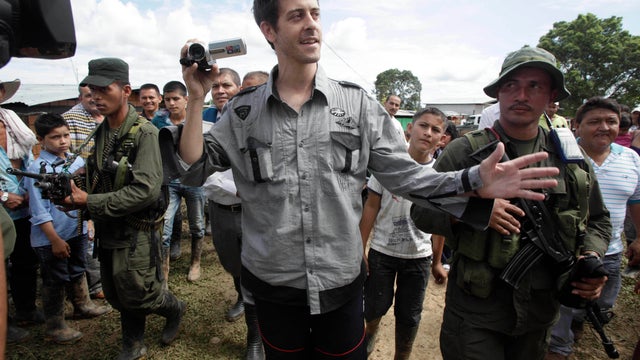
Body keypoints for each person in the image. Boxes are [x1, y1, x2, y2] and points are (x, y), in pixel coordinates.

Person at [178, 1, 559, 357]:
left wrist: (472, 179)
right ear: (269, 30)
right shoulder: (244, 112)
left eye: (315, 13)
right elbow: (195, 166)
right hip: (273, 282)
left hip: (340, 281)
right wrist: (196, 99)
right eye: (296, 16)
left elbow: (406, 178)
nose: (312, 25)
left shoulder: (357, 105)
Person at [411, 46, 611, 360]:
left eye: (534, 86)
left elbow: (598, 219)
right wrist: (476, 209)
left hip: (538, 314)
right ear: (499, 95)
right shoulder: (466, 151)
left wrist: (591, 258)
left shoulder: (571, 159)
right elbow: (420, 211)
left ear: (550, 97)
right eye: (511, 86)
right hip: (476, 313)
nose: (521, 95)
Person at [59, 58, 186, 359]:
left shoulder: (145, 134)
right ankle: (133, 342)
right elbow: (99, 171)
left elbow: (145, 190)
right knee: (116, 291)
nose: (95, 97)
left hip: (137, 230)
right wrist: (77, 188)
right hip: (109, 226)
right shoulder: (103, 131)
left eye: (104, 90)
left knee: (140, 291)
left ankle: (174, 308)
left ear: (126, 90)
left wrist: (88, 201)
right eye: (91, 91)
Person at [546, 97, 640, 359]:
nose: (604, 127)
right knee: (557, 331)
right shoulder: (560, 158)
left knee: (600, 307)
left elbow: (636, 201)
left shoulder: (631, 159)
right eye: (594, 121)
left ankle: (577, 323)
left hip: (610, 253)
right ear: (577, 126)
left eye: (611, 121)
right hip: (567, 255)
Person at [360, 107, 449, 359]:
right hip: (382, 252)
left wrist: (437, 260)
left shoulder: (439, 175)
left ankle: (403, 355)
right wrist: (361, 248)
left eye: (436, 130)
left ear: (442, 139)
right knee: (375, 307)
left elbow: (439, 222)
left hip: (418, 258)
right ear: (410, 128)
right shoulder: (389, 166)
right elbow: (371, 206)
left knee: (409, 315)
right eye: (423, 125)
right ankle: (369, 336)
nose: (428, 133)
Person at [25, 113, 112, 344]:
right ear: (41, 140)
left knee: (77, 268)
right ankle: (55, 326)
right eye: (55, 137)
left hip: (77, 229)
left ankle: (82, 304)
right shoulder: (38, 169)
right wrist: (54, 240)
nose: (63, 141)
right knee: (54, 279)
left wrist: (88, 222)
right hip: (52, 237)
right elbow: (38, 211)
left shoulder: (76, 162)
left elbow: (85, 195)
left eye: (65, 135)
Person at [0, 79, 44, 343]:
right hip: (3, 209)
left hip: (24, 204)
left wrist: (30, 192)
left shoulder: (12, 121)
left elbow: (29, 159)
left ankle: (26, 309)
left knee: (26, 260)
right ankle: (3, 324)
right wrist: (4, 195)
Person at [151, 81, 206, 283]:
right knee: (164, 227)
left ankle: (195, 263)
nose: (172, 103)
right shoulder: (157, 121)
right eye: (167, 99)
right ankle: (164, 270)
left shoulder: (196, 118)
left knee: (197, 225)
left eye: (176, 99)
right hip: (169, 182)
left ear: (186, 99)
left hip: (194, 180)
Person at [62, 84, 105, 300]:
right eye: (89, 95)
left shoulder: (107, 116)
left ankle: (99, 280)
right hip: (81, 186)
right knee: (87, 236)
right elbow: (65, 155)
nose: (94, 99)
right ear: (80, 97)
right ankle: (94, 286)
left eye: (98, 94)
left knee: (98, 234)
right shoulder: (70, 119)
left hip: (104, 185)